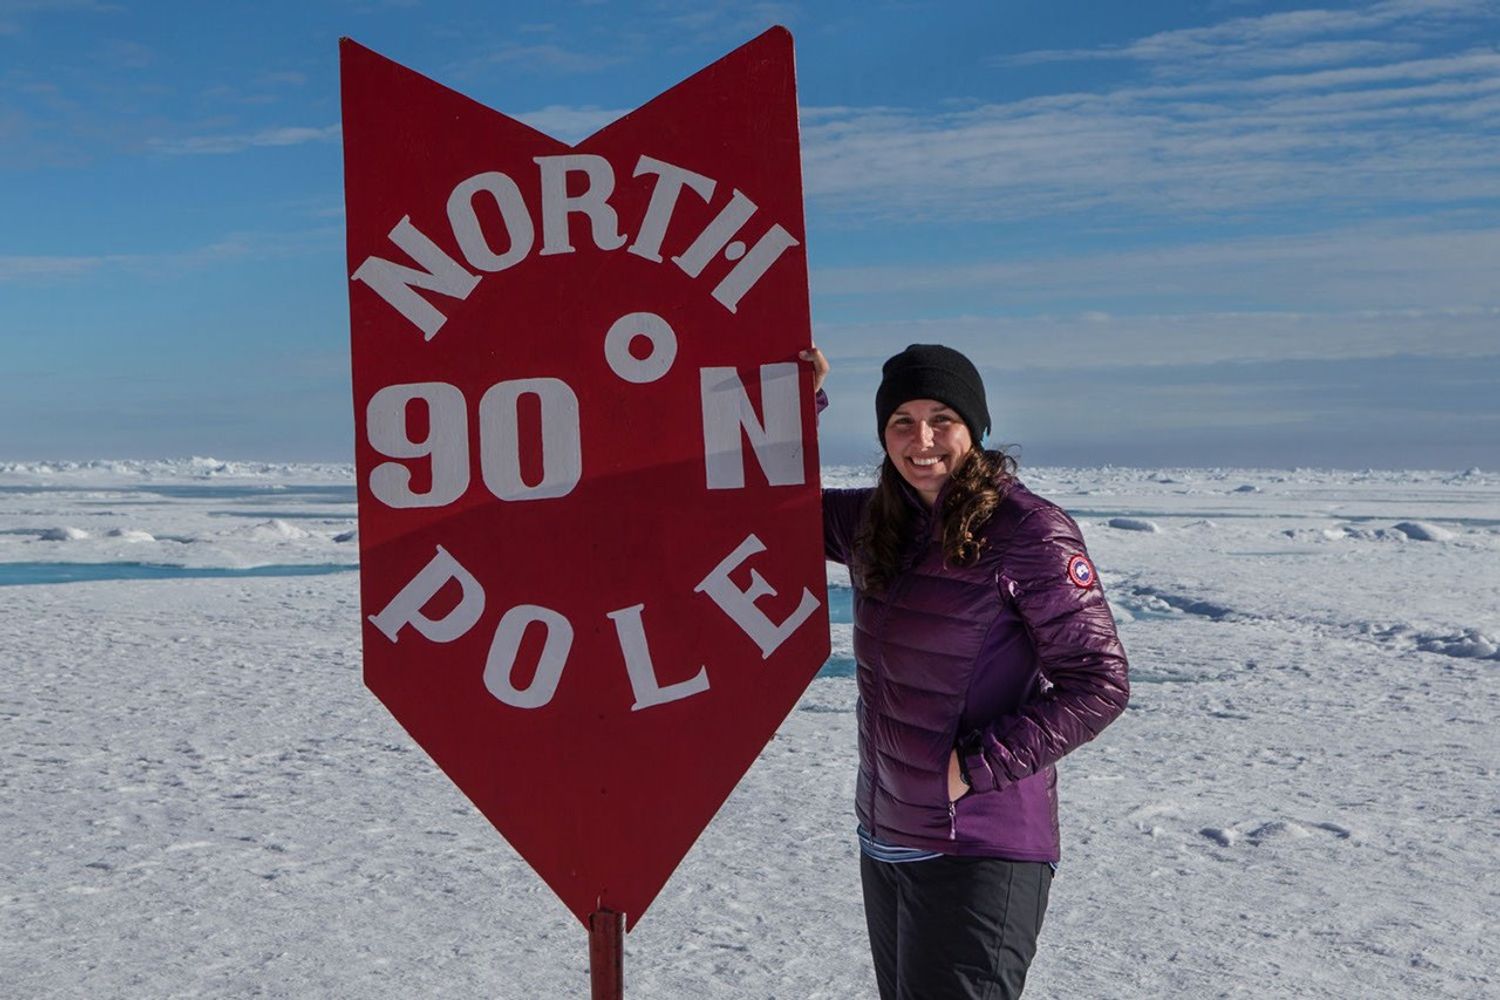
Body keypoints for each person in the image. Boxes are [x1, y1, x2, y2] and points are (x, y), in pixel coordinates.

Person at [798, 343, 1129, 1000]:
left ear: (974, 429)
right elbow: (765, 508)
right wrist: (796, 405)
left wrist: (971, 768)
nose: (921, 440)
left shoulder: (1028, 532)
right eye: (902, 422)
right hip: (887, 837)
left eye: (941, 420)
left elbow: (1099, 682)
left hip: (981, 846)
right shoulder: (873, 522)